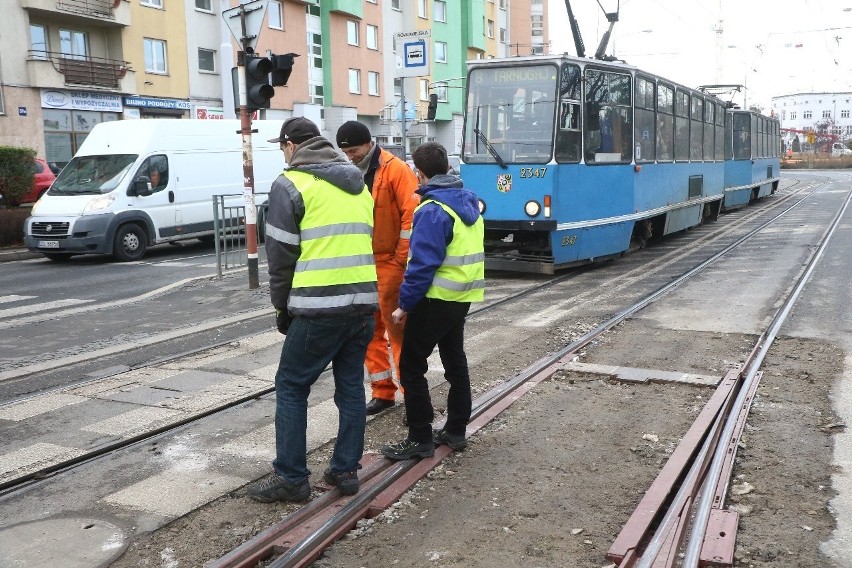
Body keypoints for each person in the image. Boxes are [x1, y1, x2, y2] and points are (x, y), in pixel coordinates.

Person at [247, 117, 378, 502]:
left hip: (318, 307)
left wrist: (282, 307)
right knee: (351, 387)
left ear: (291, 146)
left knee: (291, 385)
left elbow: (281, 258)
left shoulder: (290, 184)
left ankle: (291, 477)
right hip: (362, 305)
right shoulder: (358, 186)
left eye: (281, 147)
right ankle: (345, 471)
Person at [381, 142, 485, 461]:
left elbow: (423, 265)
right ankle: (455, 431)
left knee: (411, 365)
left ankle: (419, 437)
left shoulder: (431, 210)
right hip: (462, 297)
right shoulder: (470, 203)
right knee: (455, 362)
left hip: (434, 300)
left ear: (419, 173)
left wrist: (404, 306)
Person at [336, 120, 420, 416]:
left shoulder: (396, 170)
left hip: (388, 264)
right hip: (362, 265)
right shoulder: (348, 172)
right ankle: (383, 392)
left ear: (369, 143)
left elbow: (411, 217)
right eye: (345, 152)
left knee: (398, 334)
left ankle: (412, 395)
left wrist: (399, 259)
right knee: (367, 332)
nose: (350, 156)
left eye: (354, 150)